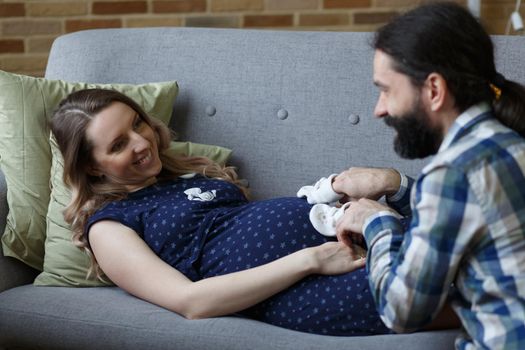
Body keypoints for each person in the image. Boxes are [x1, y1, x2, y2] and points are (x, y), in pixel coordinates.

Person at [50, 87, 391, 337]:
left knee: (438, 248)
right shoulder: (109, 226)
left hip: (346, 242)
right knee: (428, 289)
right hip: (301, 287)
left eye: (137, 124)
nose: (141, 142)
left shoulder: (184, 176)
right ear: (93, 168)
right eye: (119, 145)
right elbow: (191, 302)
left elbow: (242, 228)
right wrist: (311, 260)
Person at [332, 2, 525, 349]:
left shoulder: (453, 172)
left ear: (434, 91)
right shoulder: (508, 141)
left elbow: (402, 311)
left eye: (386, 89)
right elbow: (482, 210)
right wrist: (397, 186)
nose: (379, 109)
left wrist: (379, 222)